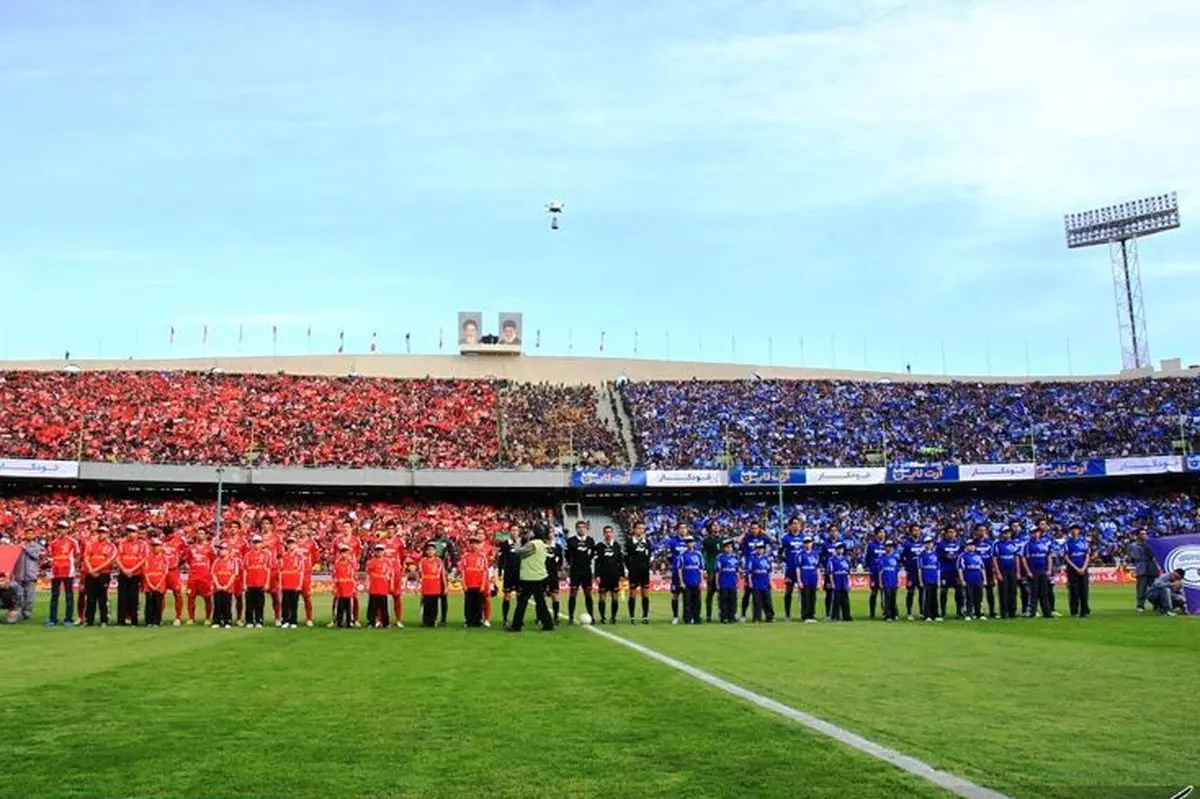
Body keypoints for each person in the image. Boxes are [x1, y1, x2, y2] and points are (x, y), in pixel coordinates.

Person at [509, 526, 553, 632]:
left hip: (530, 577)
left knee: (522, 602)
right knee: (540, 602)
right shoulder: (542, 544)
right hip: (540, 575)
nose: (528, 534)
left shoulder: (533, 544)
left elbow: (520, 552)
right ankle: (548, 624)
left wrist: (516, 545)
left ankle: (516, 625)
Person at [46, 521, 79, 627]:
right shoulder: (53, 542)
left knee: (69, 596)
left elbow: (78, 555)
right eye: (59, 528)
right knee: (54, 596)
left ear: (67, 529)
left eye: (63, 528)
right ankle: (52, 619)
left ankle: (68, 619)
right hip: (55, 572)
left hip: (68, 571)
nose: (61, 530)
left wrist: (73, 567)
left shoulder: (72, 541)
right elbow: (49, 556)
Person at [83, 532, 117, 627]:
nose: (101, 534)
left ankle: (104, 620)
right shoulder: (91, 545)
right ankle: (89, 620)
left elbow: (110, 560)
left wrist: (96, 570)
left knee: (103, 598)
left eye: (103, 532)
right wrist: (90, 569)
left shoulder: (111, 546)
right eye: (100, 532)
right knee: (90, 598)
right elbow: (86, 557)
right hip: (90, 574)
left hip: (103, 574)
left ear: (107, 534)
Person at [115, 525, 147, 626]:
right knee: (122, 597)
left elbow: (143, 559)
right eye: (128, 531)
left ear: (137, 533)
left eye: (132, 531)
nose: (130, 533)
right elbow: (118, 557)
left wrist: (132, 570)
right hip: (123, 574)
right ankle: (121, 620)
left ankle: (134, 620)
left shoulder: (142, 544)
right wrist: (124, 569)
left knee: (134, 598)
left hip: (136, 574)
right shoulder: (121, 543)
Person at [565, 521, 595, 624]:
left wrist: (585, 562)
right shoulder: (571, 541)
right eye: (579, 527)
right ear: (576, 529)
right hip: (575, 571)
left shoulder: (590, 540)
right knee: (573, 594)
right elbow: (567, 555)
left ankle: (592, 615)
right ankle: (571, 617)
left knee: (588, 594)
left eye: (583, 527)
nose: (581, 529)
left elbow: (592, 555)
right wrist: (573, 564)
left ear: (586, 528)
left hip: (586, 570)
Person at [593, 525, 624, 624]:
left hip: (614, 575)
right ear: (603, 533)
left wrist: (622, 574)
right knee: (602, 597)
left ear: (612, 533)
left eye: (610, 532)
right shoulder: (599, 546)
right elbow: (597, 562)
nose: (608, 534)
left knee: (615, 597)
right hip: (603, 576)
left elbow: (620, 561)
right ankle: (603, 617)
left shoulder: (617, 546)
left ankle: (613, 617)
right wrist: (597, 575)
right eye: (606, 532)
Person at [1022, 526, 1055, 619]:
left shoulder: (1044, 544)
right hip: (1033, 571)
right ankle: (1032, 612)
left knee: (1044, 593)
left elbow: (1048, 556)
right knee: (1034, 593)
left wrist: (1049, 569)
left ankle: (1047, 612)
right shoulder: (1028, 545)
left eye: (1037, 532)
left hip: (1043, 571)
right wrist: (1027, 571)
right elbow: (1024, 558)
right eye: (1034, 532)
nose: (1036, 534)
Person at [242, 535, 273, 628]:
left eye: (258, 542)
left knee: (259, 604)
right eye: (255, 542)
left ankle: (259, 620)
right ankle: (249, 621)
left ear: (262, 543)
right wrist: (244, 583)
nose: (256, 544)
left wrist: (267, 583)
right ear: (252, 543)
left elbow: (268, 570)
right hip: (250, 583)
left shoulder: (266, 555)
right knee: (249, 604)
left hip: (261, 583)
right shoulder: (247, 555)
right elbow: (245, 570)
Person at [624, 521, 652, 624]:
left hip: (644, 571)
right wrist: (628, 568)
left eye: (642, 528)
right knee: (632, 594)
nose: (641, 530)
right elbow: (626, 557)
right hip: (634, 571)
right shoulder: (629, 542)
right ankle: (632, 616)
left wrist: (647, 566)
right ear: (634, 529)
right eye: (639, 528)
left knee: (645, 594)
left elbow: (649, 555)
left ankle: (645, 616)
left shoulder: (647, 542)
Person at [185, 531, 215, 625]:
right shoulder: (191, 548)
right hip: (193, 577)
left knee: (207, 598)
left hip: (205, 577)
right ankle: (191, 618)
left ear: (206, 535)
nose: (200, 535)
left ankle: (207, 618)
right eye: (198, 533)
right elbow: (188, 561)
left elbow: (213, 561)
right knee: (191, 597)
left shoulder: (209, 548)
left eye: (202, 533)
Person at [1127, 528, 1159, 613]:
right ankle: (1140, 605)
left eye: (1145, 534)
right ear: (1137, 535)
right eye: (1142, 534)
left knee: (1155, 588)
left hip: (1152, 568)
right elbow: (1134, 556)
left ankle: (1156, 605)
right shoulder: (1133, 545)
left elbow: (1155, 554)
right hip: (1141, 568)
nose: (1144, 535)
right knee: (1141, 589)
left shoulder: (1151, 544)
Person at [779, 517, 805, 621]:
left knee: (802, 592)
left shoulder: (804, 538)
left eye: (797, 523)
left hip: (802, 570)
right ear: (790, 526)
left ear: (800, 525)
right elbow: (779, 553)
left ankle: (803, 613)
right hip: (790, 570)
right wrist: (787, 561)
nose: (796, 525)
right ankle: (787, 614)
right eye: (793, 523)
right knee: (788, 591)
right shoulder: (785, 539)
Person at [13, 535, 44, 622]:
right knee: (19, 595)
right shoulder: (18, 545)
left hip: (30, 574)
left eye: (31, 533)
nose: (29, 535)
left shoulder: (37, 546)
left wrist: (25, 548)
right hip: (19, 573)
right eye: (27, 533)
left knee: (30, 596)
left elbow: (36, 556)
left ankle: (27, 612)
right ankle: (18, 612)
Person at [674, 536, 704, 625]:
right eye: (688, 542)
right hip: (687, 582)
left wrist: (701, 581)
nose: (690, 544)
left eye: (691, 542)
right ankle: (687, 618)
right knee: (687, 602)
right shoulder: (682, 555)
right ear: (686, 544)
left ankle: (696, 618)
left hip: (696, 581)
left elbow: (701, 569)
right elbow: (680, 569)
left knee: (697, 602)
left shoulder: (698, 554)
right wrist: (682, 582)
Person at [461, 537, 490, 628]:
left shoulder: (483, 557)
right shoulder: (465, 556)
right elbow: (462, 571)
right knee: (468, 603)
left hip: (478, 584)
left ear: (479, 545)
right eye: (472, 543)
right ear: (470, 545)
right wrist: (464, 584)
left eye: (476, 543)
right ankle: (468, 620)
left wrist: (482, 585)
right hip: (468, 584)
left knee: (478, 604)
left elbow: (485, 572)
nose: (474, 545)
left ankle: (477, 621)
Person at [161, 526, 187, 626]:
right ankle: (160, 617)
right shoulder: (160, 541)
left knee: (177, 593)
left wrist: (178, 564)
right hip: (162, 571)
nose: (168, 536)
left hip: (173, 571)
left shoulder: (179, 541)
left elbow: (185, 555)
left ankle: (178, 617)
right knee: (161, 593)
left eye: (170, 534)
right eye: (166, 535)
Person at [1064, 524, 1091, 618]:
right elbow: (1066, 557)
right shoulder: (1068, 543)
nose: (1075, 531)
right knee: (1074, 591)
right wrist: (1076, 568)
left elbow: (1087, 555)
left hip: (1083, 568)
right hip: (1072, 569)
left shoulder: (1083, 542)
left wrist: (1083, 568)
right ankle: (1074, 611)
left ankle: (1084, 611)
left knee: (1084, 590)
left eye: (1076, 529)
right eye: (1073, 530)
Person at [210, 542, 240, 629]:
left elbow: (234, 574)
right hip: (217, 587)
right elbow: (213, 574)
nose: (221, 551)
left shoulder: (233, 561)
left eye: (223, 549)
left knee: (227, 604)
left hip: (228, 587)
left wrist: (227, 585)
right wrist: (218, 585)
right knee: (217, 604)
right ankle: (216, 621)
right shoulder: (216, 561)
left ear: (228, 551)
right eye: (220, 549)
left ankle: (228, 621)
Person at [937, 526, 964, 620]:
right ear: (945, 533)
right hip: (945, 571)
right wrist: (946, 556)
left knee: (959, 592)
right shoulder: (941, 544)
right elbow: (938, 557)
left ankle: (960, 612)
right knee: (943, 591)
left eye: (953, 532)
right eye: (949, 532)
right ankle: (943, 612)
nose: (951, 534)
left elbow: (962, 556)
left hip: (956, 572)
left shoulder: (959, 543)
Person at [994, 527, 1021, 619]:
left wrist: (1018, 572)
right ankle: (1004, 612)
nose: (1007, 534)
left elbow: (1016, 558)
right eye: (1005, 533)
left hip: (1012, 570)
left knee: (1013, 591)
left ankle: (1012, 612)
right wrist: (998, 573)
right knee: (1003, 592)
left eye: (1008, 533)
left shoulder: (1014, 544)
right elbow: (994, 559)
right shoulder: (997, 545)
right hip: (1003, 571)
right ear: (1002, 534)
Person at [957, 539, 987, 621]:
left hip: (978, 579)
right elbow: (960, 569)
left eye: (973, 545)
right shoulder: (963, 556)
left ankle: (979, 613)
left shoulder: (978, 556)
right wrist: (962, 580)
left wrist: (984, 579)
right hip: (968, 579)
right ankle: (968, 614)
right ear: (966, 546)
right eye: (970, 545)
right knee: (969, 597)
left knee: (979, 597)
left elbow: (982, 568)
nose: (972, 547)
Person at [498, 526, 522, 628]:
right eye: (512, 530)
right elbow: (501, 559)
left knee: (520, 597)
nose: (514, 532)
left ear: (519, 532)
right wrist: (499, 571)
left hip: (520, 574)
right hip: (509, 573)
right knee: (507, 596)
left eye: (516, 530)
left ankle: (519, 618)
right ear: (509, 532)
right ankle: (505, 618)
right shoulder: (504, 544)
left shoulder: (522, 543)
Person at [279, 539, 306, 628]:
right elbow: (280, 570)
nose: (290, 545)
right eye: (289, 544)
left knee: (294, 603)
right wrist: (280, 583)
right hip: (285, 583)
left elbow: (301, 571)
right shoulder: (284, 556)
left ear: (295, 545)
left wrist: (300, 584)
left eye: (292, 544)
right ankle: (285, 620)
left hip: (295, 583)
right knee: (285, 603)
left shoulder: (299, 557)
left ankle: (293, 621)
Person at [365, 543, 394, 628]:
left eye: (381, 551)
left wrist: (391, 585)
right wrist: (367, 585)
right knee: (372, 606)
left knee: (384, 607)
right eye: (377, 551)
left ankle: (386, 623)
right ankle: (371, 622)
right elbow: (367, 574)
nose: (379, 552)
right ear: (375, 552)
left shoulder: (388, 562)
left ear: (383, 552)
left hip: (383, 587)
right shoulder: (371, 562)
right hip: (374, 587)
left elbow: (391, 574)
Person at [666, 522, 690, 624]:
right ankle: (675, 616)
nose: (683, 530)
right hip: (676, 573)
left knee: (687, 596)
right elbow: (668, 556)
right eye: (681, 528)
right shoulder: (672, 542)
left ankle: (687, 616)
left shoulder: (690, 541)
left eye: (685, 528)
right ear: (677, 530)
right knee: (675, 594)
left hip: (688, 573)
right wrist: (675, 565)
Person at [418, 543, 447, 628]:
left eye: (432, 550)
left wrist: (445, 587)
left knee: (434, 605)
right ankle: (425, 621)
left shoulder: (439, 561)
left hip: (436, 586)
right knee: (425, 604)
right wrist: (419, 586)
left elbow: (442, 575)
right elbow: (420, 575)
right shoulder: (423, 561)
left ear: (435, 551)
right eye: (429, 550)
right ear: (426, 551)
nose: (430, 552)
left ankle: (433, 621)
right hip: (426, 586)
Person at [142, 538, 169, 627]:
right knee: (149, 603)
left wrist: (158, 584)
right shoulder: (147, 558)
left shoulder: (164, 558)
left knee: (158, 603)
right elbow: (145, 572)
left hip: (160, 585)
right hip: (148, 584)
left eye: (157, 546)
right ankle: (148, 621)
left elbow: (165, 573)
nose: (155, 548)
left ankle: (157, 621)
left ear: (161, 547)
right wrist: (149, 584)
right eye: (154, 546)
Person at [972, 524, 997, 618]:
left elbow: (993, 557)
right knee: (977, 591)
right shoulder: (973, 543)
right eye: (980, 530)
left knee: (990, 591)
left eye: (984, 530)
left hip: (989, 570)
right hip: (977, 571)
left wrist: (994, 570)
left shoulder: (991, 543)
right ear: (976, 532)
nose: (982, 532)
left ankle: (992, 611)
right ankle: (979, 610)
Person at [747, 541, 775, 623]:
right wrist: (750, 582)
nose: (760, 550)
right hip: (756, 582)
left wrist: (770, 582)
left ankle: (770, 616)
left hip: (765, 582)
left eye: (761, 548)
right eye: (758, 548)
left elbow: (769, 571)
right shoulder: (752, 559)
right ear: (756, 549)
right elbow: (749, 572)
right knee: (757, 602)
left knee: (767, 601)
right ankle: (757, 618)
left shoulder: (766, 559)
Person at [701, 521, 723, 623]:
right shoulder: (706, 541)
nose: (716, 527)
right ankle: (708, 615)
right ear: (710, 528)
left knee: (722, 595)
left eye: (717, 525)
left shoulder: (722, 540)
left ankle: (722, 614)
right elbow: (704, 556)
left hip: (722, 572)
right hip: (711, 571)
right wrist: (704, 569)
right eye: (714, 525)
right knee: (710, 594)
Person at [333, 544, 358, 629]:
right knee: (340, 606)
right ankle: (338, 622)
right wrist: (335, 587)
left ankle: (350, 622)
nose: (344, 555)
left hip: (349, 587)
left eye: (346, 553)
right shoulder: (337, 564)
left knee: (349, 607)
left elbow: (354, 575)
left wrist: (354, 587)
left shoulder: (352, 564)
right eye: (343, 553)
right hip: (340, 588)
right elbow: (335, 576)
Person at [715, 540, 740, 623]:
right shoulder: (720, 557)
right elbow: (717, 572)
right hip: (723, 582)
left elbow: (737, 571)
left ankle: (732, 616)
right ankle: (724, 617)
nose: (729, 549)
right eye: (727, 547)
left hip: (732, 583)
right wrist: (717, 583)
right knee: (723, 601)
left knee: (733, 601)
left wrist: (737, 582)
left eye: (730, 547)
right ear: (724, 548)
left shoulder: (735, 557)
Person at [865, 528, 888, 620]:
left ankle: (886, 612)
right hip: (874, 573)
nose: (882, 534)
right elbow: (867, 558)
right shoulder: (871, 545)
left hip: (885, 573)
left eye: (883, 532)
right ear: (876, 534)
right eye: (880, 532)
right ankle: (872, 613)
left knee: (885, 593)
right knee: (874, 593)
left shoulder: (887, 545)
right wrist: (871, 568)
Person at [901, 524, 923, 620]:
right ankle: (909, 612)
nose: (917, 532)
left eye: (918, 530)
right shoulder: (906, 544)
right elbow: (901, 556)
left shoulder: (923, 542)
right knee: (910, 592)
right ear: (911, 532)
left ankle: (922, 611)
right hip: (911, 572)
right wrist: (906, 565)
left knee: (922, 591)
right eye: (914, 530)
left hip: (922, 572)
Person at [797, 536, 821, 623]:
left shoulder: (815, 554)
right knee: (805, 598)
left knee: (813, 598)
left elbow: (817, 568)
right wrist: (799, 580)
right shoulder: (800, 554)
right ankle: (805, 615)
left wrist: (819, 581)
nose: (808, 544)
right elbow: (798, 568)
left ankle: (812, 614)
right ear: (804, 544)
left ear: (812, 543)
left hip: (813, 578)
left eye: (809, 542)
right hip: (805, 578)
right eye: (806, 542)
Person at [918, 536, 941, 622]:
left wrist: (938, 580)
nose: (929, 544)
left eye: (930, 543)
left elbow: (938, 569)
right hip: (926, 579)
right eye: (927, 543)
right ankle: (926, 615)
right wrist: (920, 580)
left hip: (934, 578)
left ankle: (935, 614)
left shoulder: (935, 555)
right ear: (924, 544)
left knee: (934, 597)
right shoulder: (921, 555)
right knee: (927, 597)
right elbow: (920, 569)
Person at [827, 542, 852, 622]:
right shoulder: (832, 559)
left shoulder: (846, 559)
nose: (840, 550)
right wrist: (832, 582)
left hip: (844, 580)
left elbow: (848, 572)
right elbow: (830, 572)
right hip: (836, 579)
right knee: (836, 599)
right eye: (839, 548)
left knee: (845, 599)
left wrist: (849, 582)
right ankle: (835, 616)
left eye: (841, 548)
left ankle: (846, 616)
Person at [878, 540, 901, 621]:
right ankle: (887, 615)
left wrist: (899, 581)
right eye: (888, 546)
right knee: (887, 598)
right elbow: (880, 572)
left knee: (893, 598)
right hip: (886, 581)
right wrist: (880, 582)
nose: (890, 548)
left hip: (894, 581)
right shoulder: (882, 558)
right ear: (885, 547)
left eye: (891, 546)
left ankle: (894, 614)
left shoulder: (895, 558)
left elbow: (897, 571)